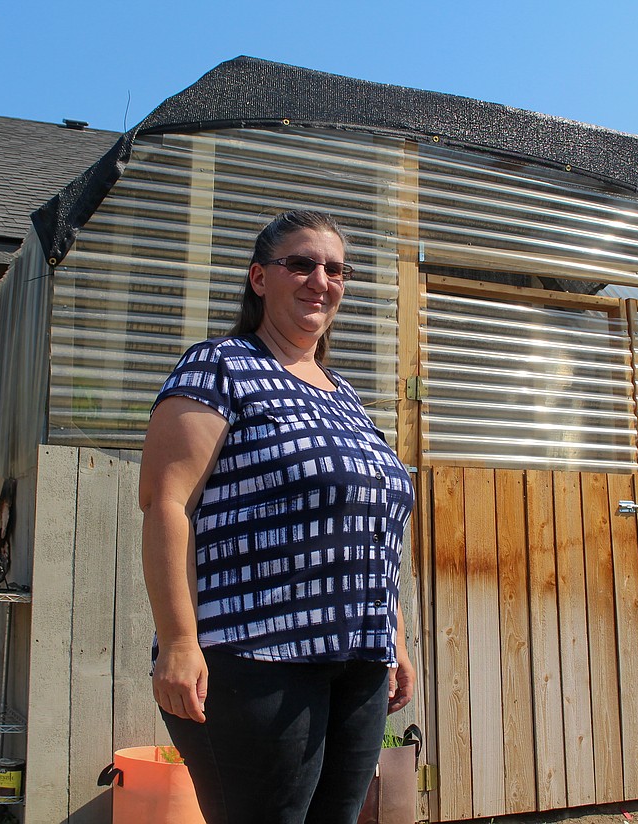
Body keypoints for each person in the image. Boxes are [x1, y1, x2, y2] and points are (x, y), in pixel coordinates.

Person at [139, 210, 415, 824]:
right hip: (255, 658)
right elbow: (166, 504)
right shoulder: (219, 367)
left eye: (335, 268)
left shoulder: (343, 395)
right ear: (260, 278)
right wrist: (180, 643)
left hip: (358, 659)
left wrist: (392, 637)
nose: (321, 279)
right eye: (302, 263)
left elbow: (368, 524)